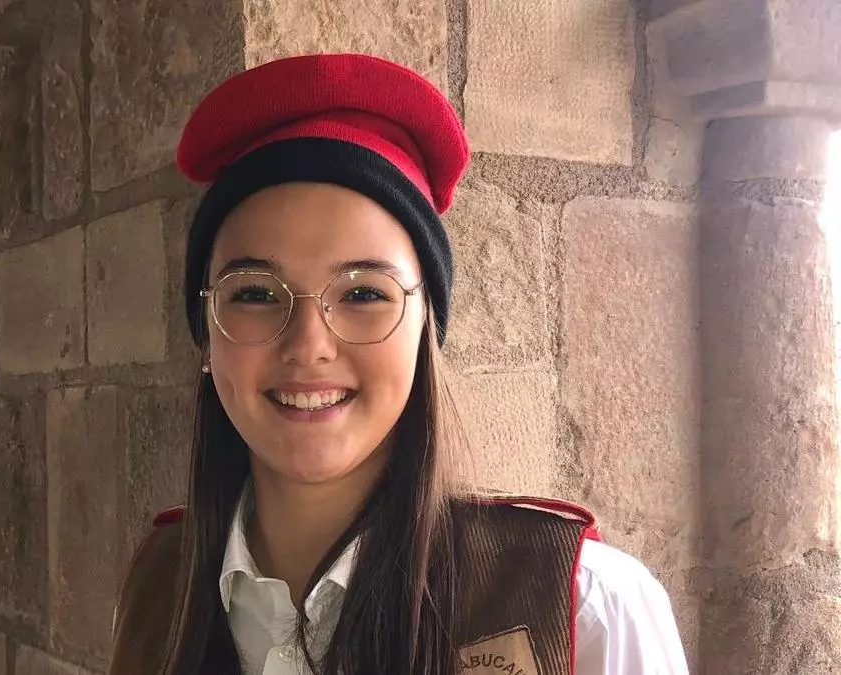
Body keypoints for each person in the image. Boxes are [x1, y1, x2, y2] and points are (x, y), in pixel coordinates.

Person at [108, 53, 688, 675]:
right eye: (253, 293)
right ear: (206, 333)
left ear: (425, 330)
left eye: (363, 293)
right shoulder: (158, 588)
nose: (308, 344)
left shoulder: (585, 609)